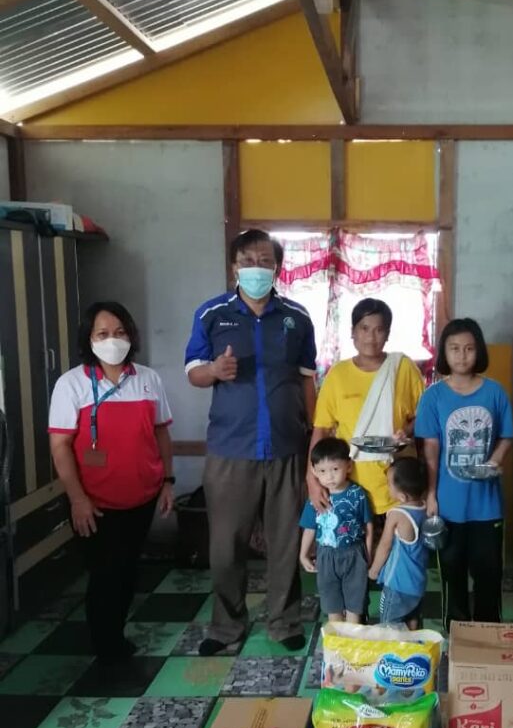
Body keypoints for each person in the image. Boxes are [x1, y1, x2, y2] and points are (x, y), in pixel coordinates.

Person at [185, 229, 317, 655]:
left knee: (286, 542)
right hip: (231, 449)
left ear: (277, 267)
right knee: (225, 546)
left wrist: (315, 436)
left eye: (265, 261)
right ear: (234, 267)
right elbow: (193, 371)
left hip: (286, 447)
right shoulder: (212, 313)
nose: (256, 268)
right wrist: (213, 371)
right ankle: (226, 626)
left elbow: (307, 380)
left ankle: (284, 621)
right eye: (248, 261)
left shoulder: (297, 317)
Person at [48, 302, 175, 662]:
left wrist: (168, 480)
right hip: (94, 504)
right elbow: (60, 446)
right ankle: (106, 649)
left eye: (119, 332)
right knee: (105, 575)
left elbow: (161, 433)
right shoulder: (71, 384)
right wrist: (77, 499)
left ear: (131, 335)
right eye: (102, 334)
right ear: (88, 340)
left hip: (142, 497)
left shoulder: (148, 379)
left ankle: (115, 636)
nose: (112, 340)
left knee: (128, 570)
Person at [416, 318, 513, 628]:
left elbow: (507, 436)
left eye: (469, 348)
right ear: (444, 353)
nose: (462, 355)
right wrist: (431, 494)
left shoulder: (495, 392)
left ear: (479, 351)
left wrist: (494, 462)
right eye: (454, 348)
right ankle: (456, 632)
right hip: (448, 504)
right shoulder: (433, 396)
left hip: (488, 506)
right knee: (452, 571)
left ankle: (488, 632)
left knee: (489, 574)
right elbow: (430, 450)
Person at [308, 298, 424, 522]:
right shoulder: (338, 375)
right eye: (364, 328)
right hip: (349, 488)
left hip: (399, 489)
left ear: (388, 334)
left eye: (379, 330)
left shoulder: (403, 368)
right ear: (352, 332)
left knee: (398, 544)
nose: (371, 337)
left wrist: (406, 431)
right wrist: (312, 480)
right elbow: (321, 430)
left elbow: (425, 418)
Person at [299, 437, 373, 623]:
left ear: (348, 466)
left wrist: (368, 555)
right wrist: (303, 554)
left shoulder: (357, 494)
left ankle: (353, 640)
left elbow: (368, 526)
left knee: (355, 605)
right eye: (323, 471)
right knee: (332, 606)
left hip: (354, 554)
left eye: (335, 469)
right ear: (314, 471)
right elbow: (309, 528)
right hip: (326, 556)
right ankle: (337, 641)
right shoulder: (316, 499)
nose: (329, 477)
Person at [369, 456, 429, 629]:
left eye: (389, 484)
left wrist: (374, 571)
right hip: (417, 584)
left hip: (397, 585)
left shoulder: (397, 514)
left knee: (389, 626)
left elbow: (385, 546)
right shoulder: (425, 507)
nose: (387, 486)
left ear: (402, 496)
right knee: (413, 623)